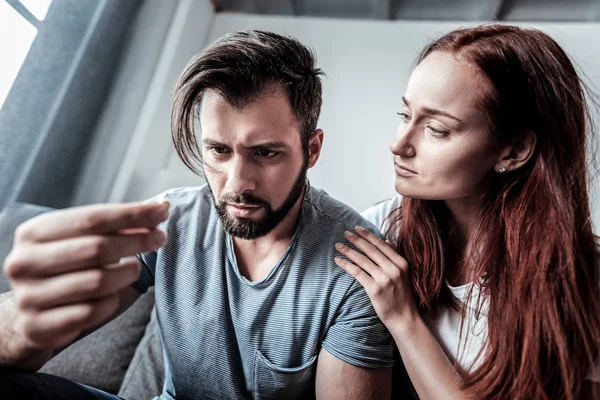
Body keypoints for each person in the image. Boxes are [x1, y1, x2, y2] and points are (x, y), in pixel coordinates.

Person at [0, 30, 394, 399]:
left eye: (265, 153)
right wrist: (23, 320)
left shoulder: (355, 265)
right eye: (219, 151)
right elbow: (20, 348)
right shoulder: (172, 220)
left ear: (313, 149)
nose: (237, 183)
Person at [334, 24, 600, 399]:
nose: (400, 144)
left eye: (437, 129)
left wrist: (404, 318)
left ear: (514, 151)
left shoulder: (585, 278)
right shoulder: (381, 230)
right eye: (405, 114)